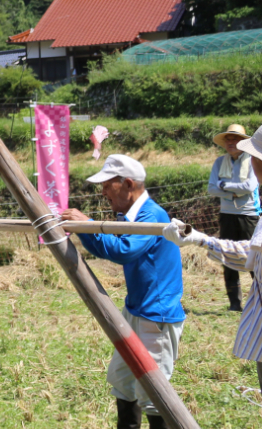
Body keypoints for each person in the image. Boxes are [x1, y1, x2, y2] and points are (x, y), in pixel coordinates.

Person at [63, 154, 184, 429]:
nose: (103, 191)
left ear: (128, 183)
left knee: (155, 393)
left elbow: (123, 251)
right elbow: (116, 249)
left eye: (107, 184)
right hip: (135, 311)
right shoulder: (131, 215)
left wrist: (86, 225)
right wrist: (87, 229)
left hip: (157, 317)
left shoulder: (151, 215)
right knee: (123, 380)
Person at [164, 126, 262, 394]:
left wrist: (200, 239)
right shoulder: (220, 162)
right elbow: (251, 254)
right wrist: (201, 238)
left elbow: (250, 256)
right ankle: (234, 303)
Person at [208, 123, 259, 312]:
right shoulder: (219, 162)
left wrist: (224, 186)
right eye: (228, 139)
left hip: (249, 216)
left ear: (244, 142)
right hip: (227, 215)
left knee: (255, 259)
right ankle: (234, 304)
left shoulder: (253, 160)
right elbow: (211, 188)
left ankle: (259, 299)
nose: (231, 142)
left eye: (235, 138)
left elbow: (249, 187)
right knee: (228, 258)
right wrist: (233, 193)